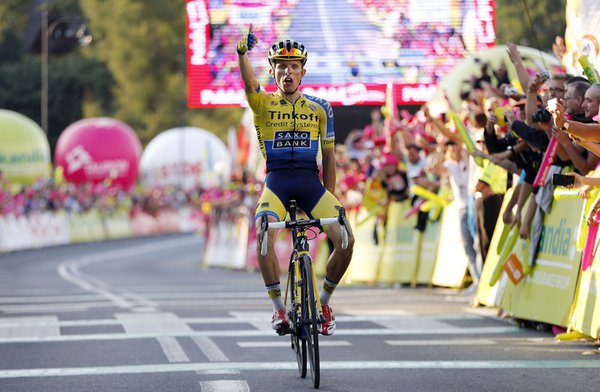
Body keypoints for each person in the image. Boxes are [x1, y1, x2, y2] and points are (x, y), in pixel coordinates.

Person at [237, 27, 354, 336]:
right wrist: (241, 54)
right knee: (263, 235)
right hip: (276, 181)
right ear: (273, 71)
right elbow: (249, 83)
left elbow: (328, 159)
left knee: (346, 239)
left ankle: (325, 302)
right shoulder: (262, 104)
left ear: (303, 71)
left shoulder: (320, 108)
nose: (287, 72)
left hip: (309, 182)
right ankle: (278, 309)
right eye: (281, 66)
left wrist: (330, 205)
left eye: (293, 66)